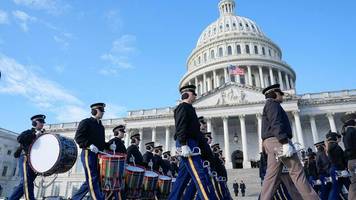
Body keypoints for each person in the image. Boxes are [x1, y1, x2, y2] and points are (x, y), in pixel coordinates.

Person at [259, 84, 319, 200]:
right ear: (275, 93)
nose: (283, 96)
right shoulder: (273, 104)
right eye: (281, 94)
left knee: (271, 176)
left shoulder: (269, 105)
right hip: (278, 141)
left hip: (271, 143)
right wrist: (285, 142)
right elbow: (276, 123)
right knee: (297, 172)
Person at [168, 85, 219, 200]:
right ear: (187, 94)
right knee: (199, 176)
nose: (196, 96)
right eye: (194, 94)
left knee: (182, 179)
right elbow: (181, 126)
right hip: (188, 144)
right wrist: (184, 144)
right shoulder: (183, 107)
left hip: (191, 143)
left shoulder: (190, 108)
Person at [72, 103, 114, 200]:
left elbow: (101, 143)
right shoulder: (85, 122)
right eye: (101, 110)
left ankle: (74, 198)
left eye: (103, 111)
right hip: (88, 154)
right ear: (94, 111)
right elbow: (78, 137)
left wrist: (109, 145)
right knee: (93, 177)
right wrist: (88, 145)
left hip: (98, 155)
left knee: (91, 179)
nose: (103, 113)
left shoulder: (101, 126)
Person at [8, 114, 46, 200]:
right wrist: (35, 135)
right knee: (27, 181)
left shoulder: (44, 134)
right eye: (41, 122)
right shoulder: (29, 132)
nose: (43, 124)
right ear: (34, 123)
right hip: (26, 158)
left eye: (43, 122)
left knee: (26, 183)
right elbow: (20, 138)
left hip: (35, 161)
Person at [325, 131, 349, 199]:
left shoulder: (330, 146)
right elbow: (340, 159)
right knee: (340, 188)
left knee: (336, 188)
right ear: (335, 138)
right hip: (339, 169)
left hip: (334, 169)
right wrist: (344, 168)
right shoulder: (335, 146)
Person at [341, 113, 356, 200]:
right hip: (355, 159)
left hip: (350, 161)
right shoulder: (354, 132)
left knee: (353, 182)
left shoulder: (345, 134)